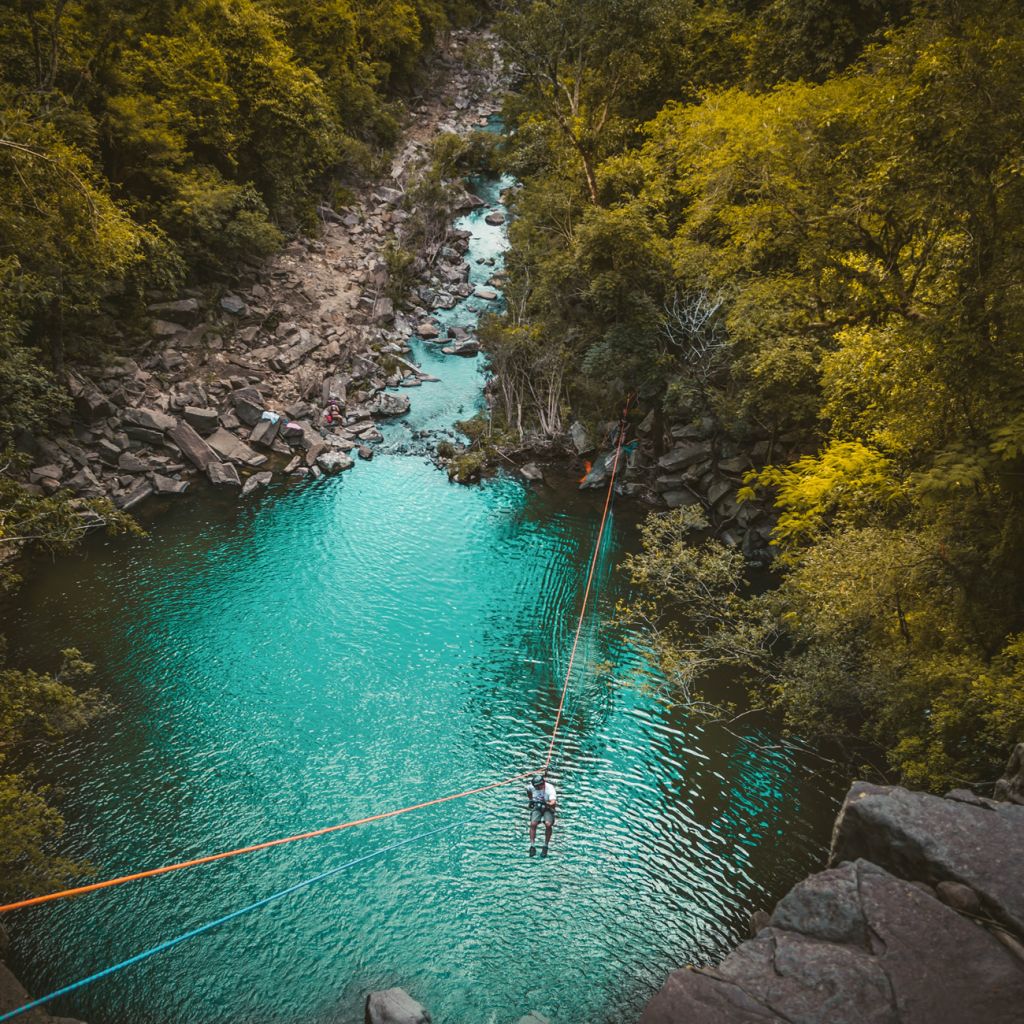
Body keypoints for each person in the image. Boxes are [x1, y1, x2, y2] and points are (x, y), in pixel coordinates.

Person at [526, 773, 557, 857]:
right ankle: (532, 846)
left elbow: (553, 802)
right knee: (533, 824)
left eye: (537, 787)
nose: (536, 788)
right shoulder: (531, 787)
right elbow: (528, 790)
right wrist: (531, 800)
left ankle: (546, 845)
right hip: (537, 806)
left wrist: (547, 803)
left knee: (548, 824)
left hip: (548, 807)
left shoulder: (550, 789)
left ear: (542, 784)